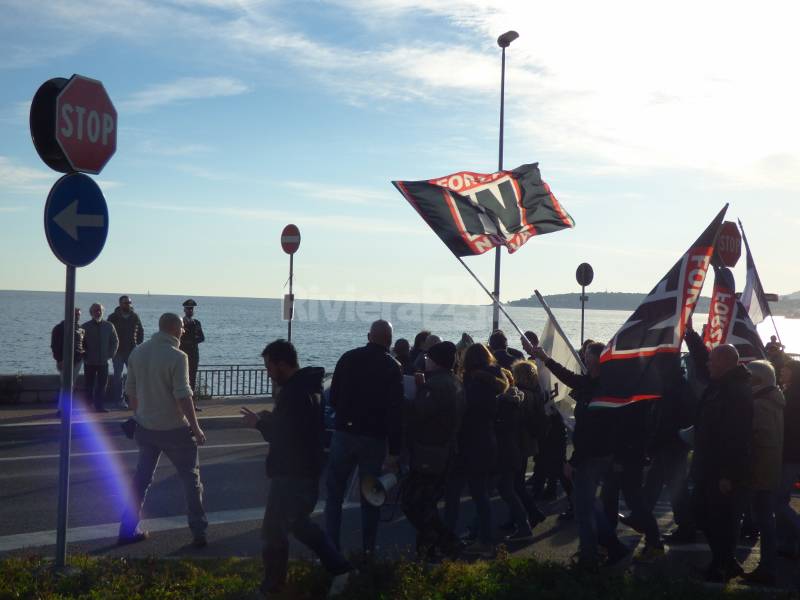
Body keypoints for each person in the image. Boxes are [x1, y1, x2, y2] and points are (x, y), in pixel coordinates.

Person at [241, 340, 352, 598]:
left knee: (273, 532)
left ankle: (273, 588)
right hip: (304, 470)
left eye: (269, 366)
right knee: (298, 525)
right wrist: (268, 418)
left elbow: (285, 435)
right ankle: (340, 569)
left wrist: (259, 423)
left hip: (292, 472)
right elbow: (295, 426)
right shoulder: (305, 387)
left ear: (282, 364)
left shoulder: (294, 393)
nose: (268, 372)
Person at [533, 342, 627, 569]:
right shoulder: (593, 383)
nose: (583, 358)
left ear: (598, 359)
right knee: (591, 505)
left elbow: (591, 432)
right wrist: (545, 358)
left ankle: (589, 558)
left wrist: (573, 462)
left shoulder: (602, 389)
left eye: (587, 355)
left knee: (584, 510)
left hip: (592, 456)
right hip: (597, 454)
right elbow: (569, 378)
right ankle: (612, 547)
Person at [118, 313, 207, 547]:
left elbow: (131, 394)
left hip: (145, 429)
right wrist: (196, 429)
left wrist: (141, 415)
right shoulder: (178, 356)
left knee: (141, 479)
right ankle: (198, 533)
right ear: (175, 329)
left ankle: (127, 528)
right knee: (191, 480)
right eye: (182, 328)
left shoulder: (138, 352)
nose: (184, 331)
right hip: (175, 429)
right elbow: (183, 396)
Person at [325, 320, 404, 555]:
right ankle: (367, 551)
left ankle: (331, 549)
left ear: (369, 335)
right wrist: (395, 451)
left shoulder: (347, 358)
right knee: (370, 496)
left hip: (344, 433)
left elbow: (334, 397)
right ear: (389, 340)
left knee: (334, 494)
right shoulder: (392, 367)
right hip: (374, 438)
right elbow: (395, 412)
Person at [689, 343, 753, 582]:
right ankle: (725, 561)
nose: (708, 365)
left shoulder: (736, 392)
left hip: (721, 469)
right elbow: (703, 367)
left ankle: (721, 565)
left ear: (725, 364)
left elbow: (738, 437)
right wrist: (692, 339)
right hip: (708, 464)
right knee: (703, 513)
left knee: (717, 518)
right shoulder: (721, 385)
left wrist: (728, 473)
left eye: (712, 361)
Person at [401, 341, 465, 560]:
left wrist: (410, 394)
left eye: (428, 359)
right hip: (445, 450)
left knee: (413, 503)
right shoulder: (455, 382)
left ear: (435, 361)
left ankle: (443, 541)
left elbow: (419, 414)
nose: (425, 361)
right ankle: (428, 551)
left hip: (429, 452)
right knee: (426, 503)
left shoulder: (435, 385)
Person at [443, 343, 504, 558]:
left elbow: (465, 413)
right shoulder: (492, 381)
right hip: (486, 441)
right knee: (480, 495)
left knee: (458, 493)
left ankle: (476, 540)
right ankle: (482, 538)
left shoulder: (473, 383)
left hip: (469, 444)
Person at [741, 360, 784, 586]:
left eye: (750, 378)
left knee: (763, 519)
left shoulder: (760, 406)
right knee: (764, 519)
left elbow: (757, 441)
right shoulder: (774, 400)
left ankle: (768, 567)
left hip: (759, 470)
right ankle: (768, 566)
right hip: (769, 468)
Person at [494, 365, 544, 541]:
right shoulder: (536, 393)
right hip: (528, 442)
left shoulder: (520, 395)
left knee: (515, 485)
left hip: (519, 442)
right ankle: (517, 517)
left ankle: (532, 513)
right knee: (517, 483)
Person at [776, 360, 800, 559]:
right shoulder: (790, 393)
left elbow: (788, 426)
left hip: (790, 453)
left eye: (786, 369)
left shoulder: (793, 396)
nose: (782, 371)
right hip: (790, 453)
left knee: (777, 500)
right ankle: (787, 543)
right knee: (781, 499)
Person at [108, 295, 144, 409]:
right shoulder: (113, 317)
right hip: (118, 352)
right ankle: (119, 400)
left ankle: (132, 400)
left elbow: (140, 332)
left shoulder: (135, 316)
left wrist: (137, 345)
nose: (127, 305)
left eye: (129, 302)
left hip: (132, 351)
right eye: (125, 303)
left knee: (134, 376)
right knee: (118, 377)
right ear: (120, 304)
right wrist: (111, 348)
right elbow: (109, 334)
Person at [82, 303, 119, 413]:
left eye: (100, 310)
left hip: (103, 361)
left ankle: (99, 406)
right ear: (91, 313)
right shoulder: (85, 327)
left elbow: (115, 341)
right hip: (89, 362)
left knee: (102, 385)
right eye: (95, 311)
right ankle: (88, 407)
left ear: (102, 312)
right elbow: (80, 343)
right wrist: (85, 355)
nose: (98, 312)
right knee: (89, 385)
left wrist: (110, 354)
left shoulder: (109, 326)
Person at [50, 308, 85, 412]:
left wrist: (83, 354)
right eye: (75, 314)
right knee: (65, 385)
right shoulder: (59, 328)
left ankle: (67, 407)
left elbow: (81, 344)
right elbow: (55, 346)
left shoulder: (80, 328)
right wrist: (59, 360)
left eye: (78, 315)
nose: (77, 316)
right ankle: (62, 408)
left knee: (71, 384)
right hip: (64, 361)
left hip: (78, 360)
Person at [180, 299, 205, 407]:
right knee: (181, 378)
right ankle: (180, 404)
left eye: (192, 309)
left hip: (194, 354)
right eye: (188, 309)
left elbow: (202, 337)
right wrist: (187, 342)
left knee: (192, 379)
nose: (190, 311)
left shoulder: (196, 323)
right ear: (184, 310)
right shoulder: (180, 322)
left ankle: (192, 404)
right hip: (182, 353)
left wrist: (193, 341)